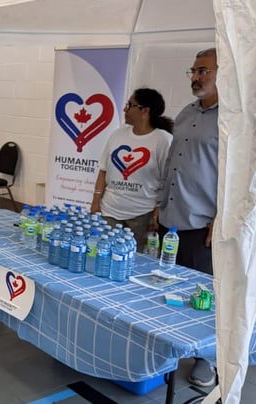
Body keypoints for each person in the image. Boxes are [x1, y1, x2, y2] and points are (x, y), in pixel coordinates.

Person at [157, 47, 219, 388]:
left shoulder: (233, 119)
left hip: (202, 223)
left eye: (203, 71)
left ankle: (205, 359)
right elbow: (172, 162)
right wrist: (159, 203)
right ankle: (168, 346)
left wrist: (222, 218)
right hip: (170, 217)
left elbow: (239, 176)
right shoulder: (185, 113)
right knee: (167, 286)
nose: (195, 77)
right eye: (193, 71)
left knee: (201, 293)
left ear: (224, 73)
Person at [90, 88, 173, 250]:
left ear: (145, 111)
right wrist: (95, 202)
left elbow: (168, 180)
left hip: (142, 216)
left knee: (135, 259)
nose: (125, 109)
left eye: (130, 105)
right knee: (104, 254)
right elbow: (103, 170)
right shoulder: (117, 135)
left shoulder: (163, 140)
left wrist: (158, 211)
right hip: (109, 212)